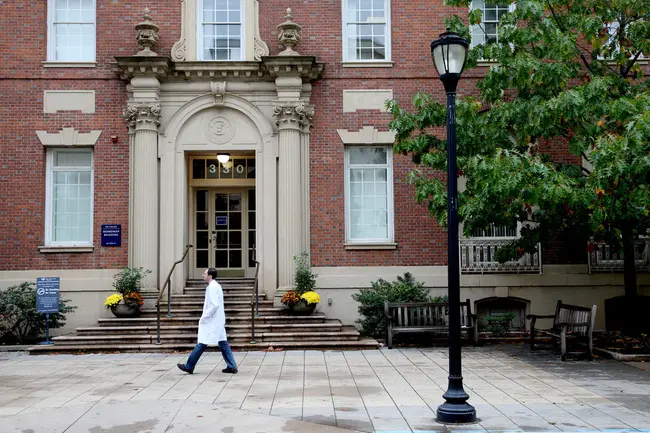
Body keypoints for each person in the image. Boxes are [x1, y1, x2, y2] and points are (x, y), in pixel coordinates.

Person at [177, 268, 238, 374]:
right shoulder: (215, 286)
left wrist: (205, 316)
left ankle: (189, 366)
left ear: (210, 276)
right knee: (223, 342)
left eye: (205, 273)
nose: (203, 275)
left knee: (202, 342)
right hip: (217, 320)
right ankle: (232, 366)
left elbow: (214, 304)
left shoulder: (212, 287)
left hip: (212, 320)